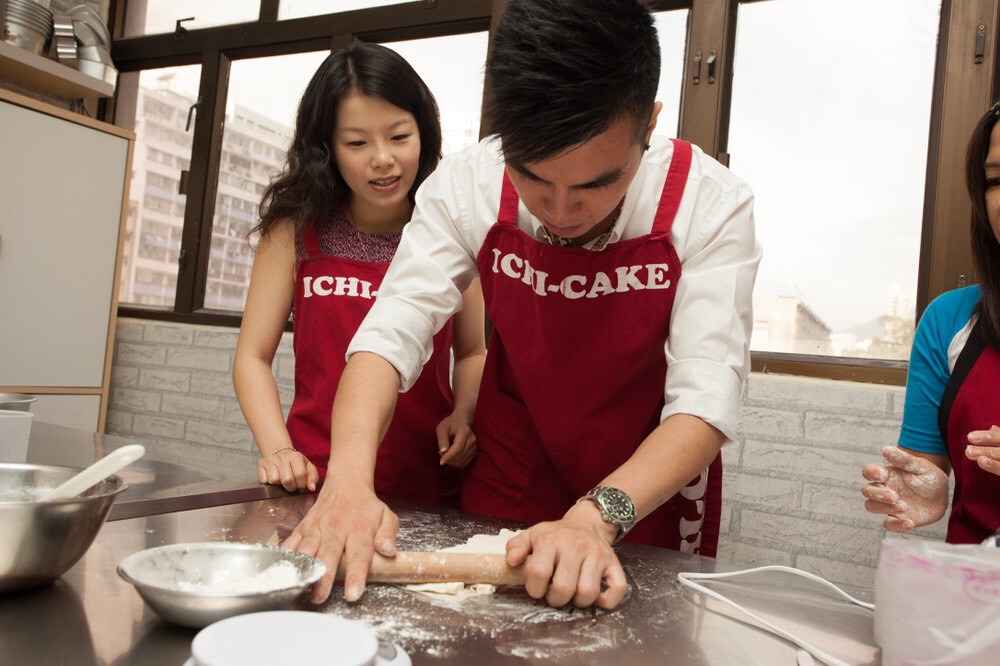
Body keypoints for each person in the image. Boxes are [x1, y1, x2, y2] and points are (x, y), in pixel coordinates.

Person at [284, 0, 760, 610]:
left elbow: (705, 399)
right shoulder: (465, 185)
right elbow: (387, 337)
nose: (561, 211)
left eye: (596, 184)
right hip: (518, 457)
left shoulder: (711, 204)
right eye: (533, 177)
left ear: (649, 126)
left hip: (646, 479)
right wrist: (349, 481)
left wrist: (595, 518)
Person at [232, 43, 485, 505]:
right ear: (326, 147)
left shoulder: (449, 230)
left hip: (426, 480)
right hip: (315, 479)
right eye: (357, 143)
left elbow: (472, 351)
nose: (382, 158)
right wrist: (279, 449)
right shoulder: (293, 232)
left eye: (399, 136)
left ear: (424, 135)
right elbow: (252, 356)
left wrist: (464, 414)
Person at [861, 100, 1000, 544]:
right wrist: (919, 492)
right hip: (974, 593)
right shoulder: (949, 321)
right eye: (996, 180)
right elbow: (926, 468)